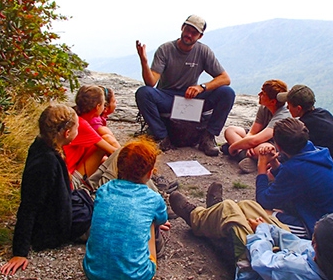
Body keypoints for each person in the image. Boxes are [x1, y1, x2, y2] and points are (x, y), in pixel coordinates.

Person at [168, 185, 333, 280]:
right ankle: (216, 213)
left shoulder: (295, 269)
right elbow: (296, 243)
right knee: (250, 206)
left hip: (255, 278)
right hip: (282, 268)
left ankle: (196, 216)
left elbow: (261, 261)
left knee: (230, 211)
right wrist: (268, 229)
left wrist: (261, 233)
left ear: (316, 244)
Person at [0, 104, 92, 276]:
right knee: (110, 225)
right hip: (54, 228)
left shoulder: (42, 145)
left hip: (59, 210)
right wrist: (19, 252)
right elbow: (29, 206)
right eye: (77, 128)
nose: (78, 132)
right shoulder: (45, 162)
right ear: (66, 133)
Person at [135, 15, 236, 156]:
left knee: (227, 93)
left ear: (200, 36)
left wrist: (202, 87)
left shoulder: (203, 51)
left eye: (194, 33)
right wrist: (144, 61)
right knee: (143, 93)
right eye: (187, 30)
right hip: (168, 97)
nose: (189, 35)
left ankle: (208, 137)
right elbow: (151, 82)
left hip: (191, 97)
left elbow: (225, 78)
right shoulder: (165, 49)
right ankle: (162, 137)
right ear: (182, 28)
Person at [82, 138, 171, 280]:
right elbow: (162, 220)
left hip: (93, 276)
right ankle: (153, 257)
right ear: (150, 173)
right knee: (151, 221)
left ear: (117, 167)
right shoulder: (153, 198)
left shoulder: (104, 189)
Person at [256, 118, 333, 239]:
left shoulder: (295, 169)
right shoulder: (315, 153)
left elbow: (263, 200)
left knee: (263, 216)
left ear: (278, 146)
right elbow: (296, 179)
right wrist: (274, 162)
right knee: (282, 205)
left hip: (331, 237)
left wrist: (262, 167)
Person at [277, 84, 333, 179]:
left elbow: (292, 152)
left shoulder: (303, 127)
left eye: (289, 104)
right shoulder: (323, 113)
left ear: (299, 108)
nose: (287, 107)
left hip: (332, 174)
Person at [222, 80, 290, 173]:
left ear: (273, 101)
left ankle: (242, 154)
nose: (259, 94)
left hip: (271, 144)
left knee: (266, 150)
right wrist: (247, 145)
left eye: (263, 94)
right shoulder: (264, 108)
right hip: (257, 139)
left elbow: (256, 140)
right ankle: (250, 158)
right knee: (230, 130)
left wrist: (232, 147)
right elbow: (253, 132)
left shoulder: (282, 116)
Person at [63, 85, 118, 181]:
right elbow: (113, 151)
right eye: (103, 103)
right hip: (70, 181)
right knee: (107, 140)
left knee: (105, 144)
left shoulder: (75, 117)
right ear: (98, 107)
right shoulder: (81, 124)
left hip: (68, 173)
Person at [88, 85, 121, 151]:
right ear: (105, 107)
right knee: (108, 137)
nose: (116, 103)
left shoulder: (97, 118)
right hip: (84, 157)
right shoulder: (94, 121)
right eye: (114, 101)